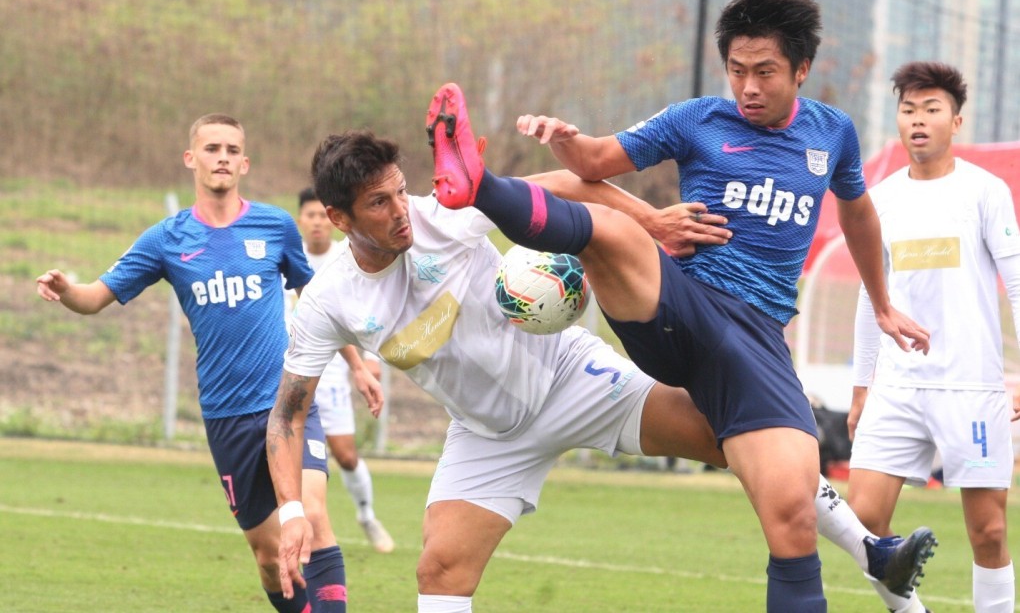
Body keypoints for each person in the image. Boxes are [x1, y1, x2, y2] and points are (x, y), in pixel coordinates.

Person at [267, 129, 934, 613]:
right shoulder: (331, 299)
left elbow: (563, 184)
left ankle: (877, 559)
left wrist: (645, 216)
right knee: (440, 569)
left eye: (400, 192)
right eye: (379, 205)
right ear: (338, 217)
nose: (401, 212)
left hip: (574, 379)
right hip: (488, 434)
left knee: (732, 434)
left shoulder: (448, 215)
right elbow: (287, 415)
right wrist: (293, 507)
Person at [426, 0, 934, 612]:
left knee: (793, 517)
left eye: (765, 72)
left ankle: (874, 562)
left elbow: (858, 214)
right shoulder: (696, 118)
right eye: (737, 70)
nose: (748, 87)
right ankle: (476, 186)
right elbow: (595, 160)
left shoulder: (834, 133)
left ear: (802, 69)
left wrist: (883, 303)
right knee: (614, 229)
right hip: (679, 303)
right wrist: (566, 138)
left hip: (754, 345)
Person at [35, 114, 359, 613]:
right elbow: (96, 296)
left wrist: (357, 364)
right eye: (212, 148)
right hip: (226, 416)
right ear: (192, 159)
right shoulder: (167, 239)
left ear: (245, 162)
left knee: (313, 518)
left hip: (287, 399)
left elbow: (317, 301)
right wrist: (66, 290)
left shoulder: (274, 225)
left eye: (232, 149)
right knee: (269, 555)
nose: (222, 157)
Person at [847, 61, 1020, 613]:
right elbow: (870, 297)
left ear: (956, 121)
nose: (918, 121)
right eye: (908, 110)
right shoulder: (880, 199)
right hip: (897, 387)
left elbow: (1017, 283)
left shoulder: (986, 192)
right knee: (863, 522)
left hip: (971, 388)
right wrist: (860, 387)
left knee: (989, 532)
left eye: (931, 109)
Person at [288, 187, 395, 554]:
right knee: (285, 448)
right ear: (301, 219)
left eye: (322, 215)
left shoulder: (348, 260)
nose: (317, 222)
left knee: (346, 455)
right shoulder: (288, 260)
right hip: (293, 370)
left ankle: (366, 515)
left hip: (334, 371)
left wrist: (369, 361)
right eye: (310, 215)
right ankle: (296, 524)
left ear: (333, 220)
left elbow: (372, 311)